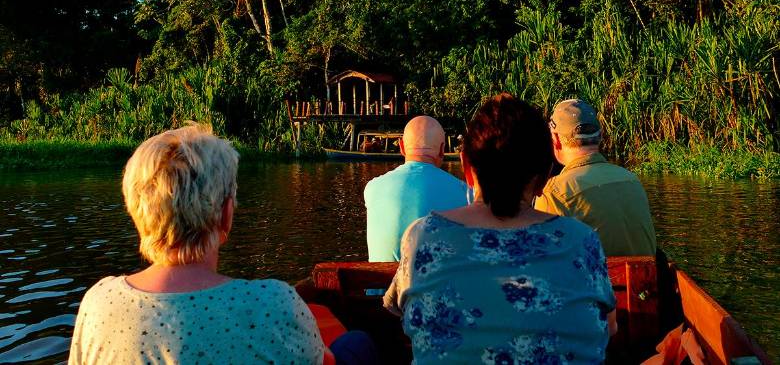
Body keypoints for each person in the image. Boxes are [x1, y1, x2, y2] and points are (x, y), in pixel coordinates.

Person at [68, 124, 375, 365]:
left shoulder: (98, 304)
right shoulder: (273, 304)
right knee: (358, 343)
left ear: (134, 209)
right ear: (226, 214)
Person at [384, 94, 617, 364]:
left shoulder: (423, 237)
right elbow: (609, 328)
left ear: (467, 167)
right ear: (544, 177)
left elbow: (399, 311)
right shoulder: (582, 241)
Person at [536, 99, 657, 256]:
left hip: (594, 280)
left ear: (556, 139)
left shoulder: (554, 193)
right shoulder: (632, 180)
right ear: (600, 136)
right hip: (643, 279)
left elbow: (544, 264)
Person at [364, 116, 466, 262]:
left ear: (402, 147)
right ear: (442, 150)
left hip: (382, 284)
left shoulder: (372, 188)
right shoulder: (465, 192)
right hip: (438, 285)